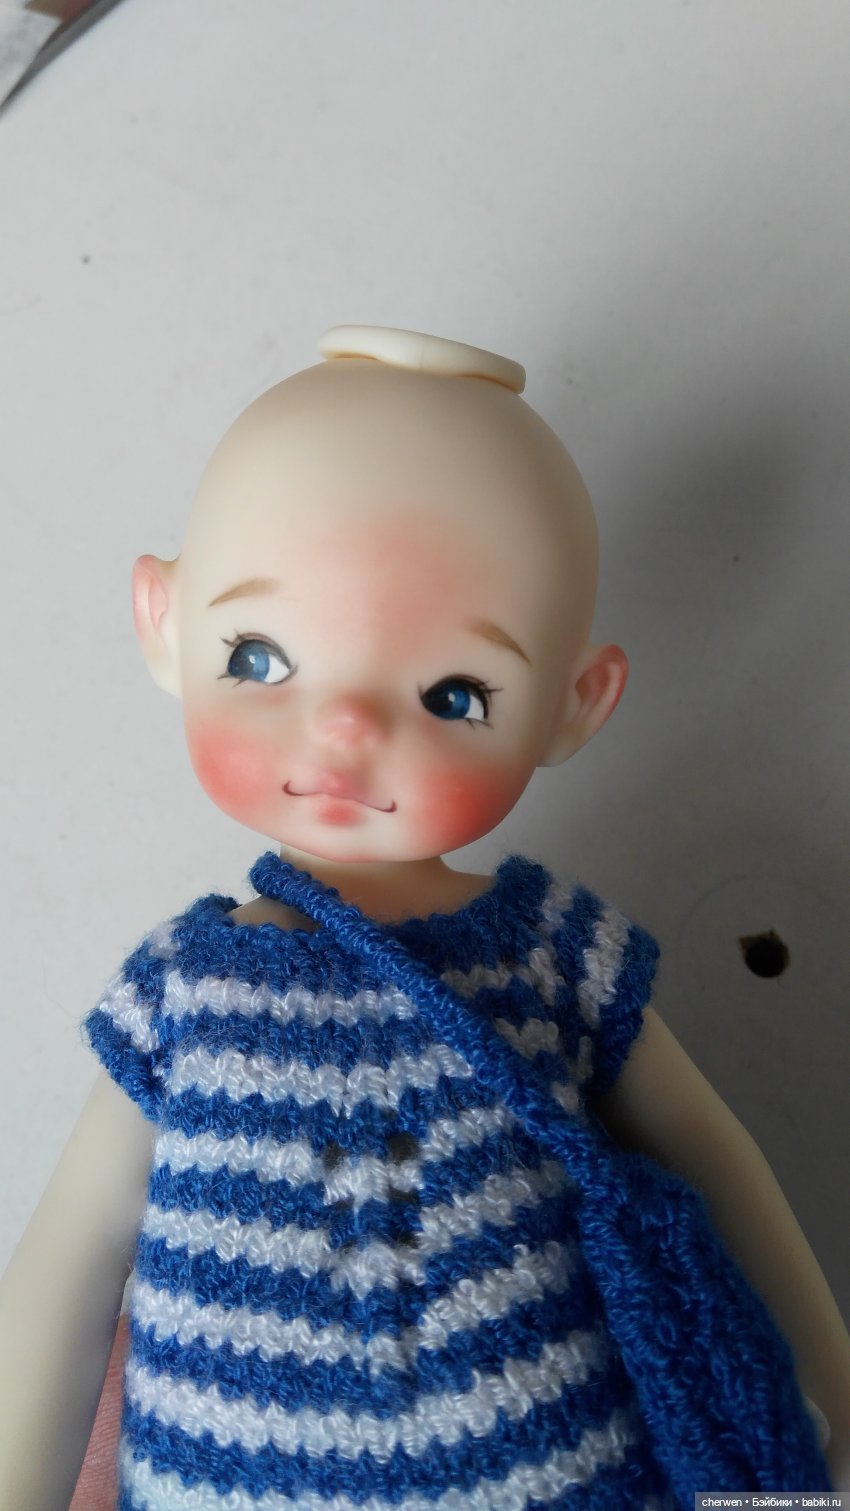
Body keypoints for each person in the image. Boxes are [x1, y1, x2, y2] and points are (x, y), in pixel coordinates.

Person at [0, 327, 847, 1508]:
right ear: (164, 623)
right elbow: (68, 1266)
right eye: (260, 655)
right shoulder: (183, 990)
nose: (345, 728)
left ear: (573, 703)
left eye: (455, 693)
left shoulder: (556, 958)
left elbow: (716, 1172)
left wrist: (822, 1417)